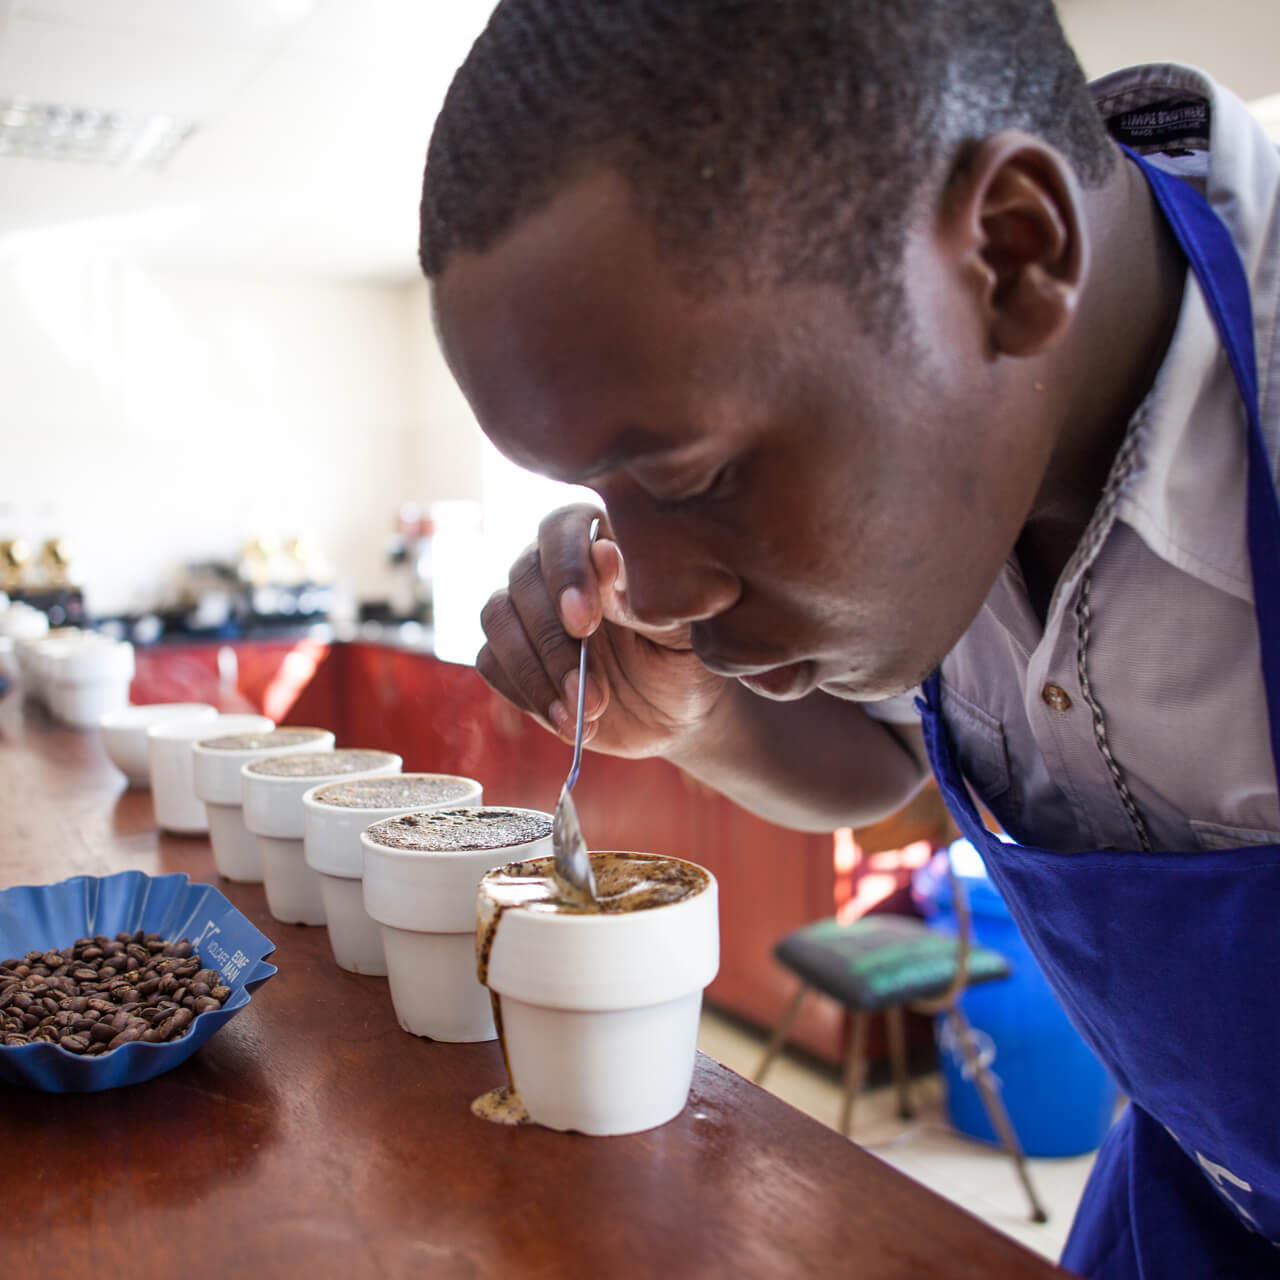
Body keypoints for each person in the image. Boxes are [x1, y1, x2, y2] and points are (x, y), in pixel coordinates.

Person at [418, 3, 1280, 1275]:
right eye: (608, 502)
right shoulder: (949, 436)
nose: (646, 590)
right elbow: (891, 771)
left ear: (1010, 254)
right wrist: (702, 715)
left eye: (697, 474)